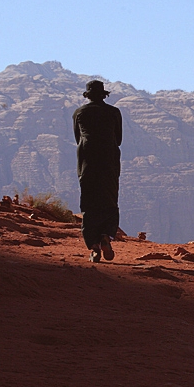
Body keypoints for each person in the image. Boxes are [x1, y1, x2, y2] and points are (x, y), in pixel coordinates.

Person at [73, 80, 123, 262]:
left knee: (89, 202)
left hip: (87, 161)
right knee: (109, 199)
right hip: (109, 161)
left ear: (88, 95)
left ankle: (94, 246)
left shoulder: (79, 113)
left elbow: (78, 138)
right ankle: (105, 235)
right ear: (103, 94)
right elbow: (118, 139)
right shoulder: (114, 112)